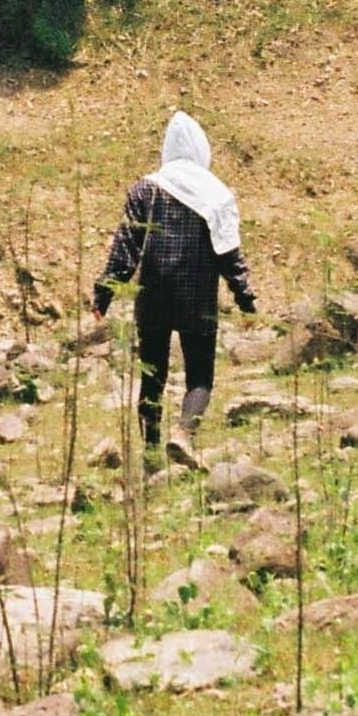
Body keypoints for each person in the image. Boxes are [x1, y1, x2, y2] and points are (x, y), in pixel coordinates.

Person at [92, 111, 261, 464]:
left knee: (152, 374)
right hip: (197, 297)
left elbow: (125, 249)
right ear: (202, 150)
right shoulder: (216, 195)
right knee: (200, 376)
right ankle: (184, 433)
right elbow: (230, 255)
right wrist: (246, 301)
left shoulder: (144, 190)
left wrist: (103, 296)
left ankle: (151, 454)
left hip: (153, 295)